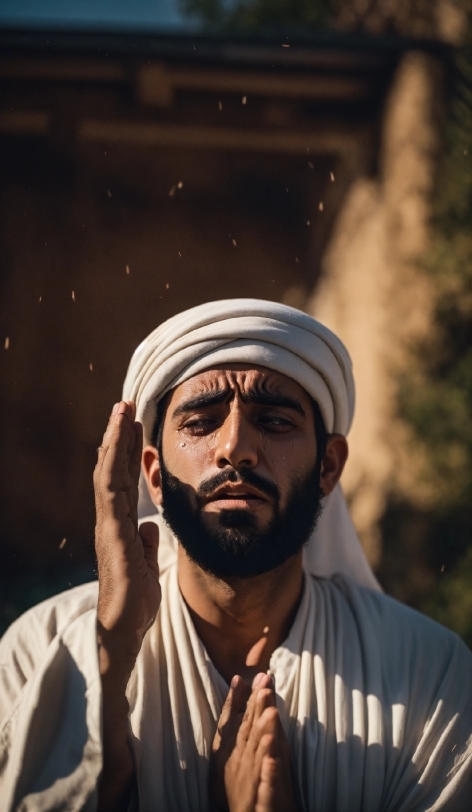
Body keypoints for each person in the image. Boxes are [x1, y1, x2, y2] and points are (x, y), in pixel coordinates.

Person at [0, 298, 471, 812]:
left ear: (328, 467)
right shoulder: (34, 654)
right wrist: (110, 647)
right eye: (201, 422)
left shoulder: (431, 677)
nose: (236, 446)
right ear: (154, 476)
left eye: (273, 421)